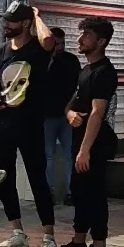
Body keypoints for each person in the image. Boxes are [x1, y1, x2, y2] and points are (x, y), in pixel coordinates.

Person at [0, 2, 59, 247]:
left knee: (37, 178)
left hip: (29, 123)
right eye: (4, 20)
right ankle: (17, 233)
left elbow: (48, 40)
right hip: (0, 124)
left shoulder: (38, 49)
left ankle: (49, 238)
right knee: (4, 177)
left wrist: (36, 15)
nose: (5, 24)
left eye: (11, 20)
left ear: (26, 23)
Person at [62, 17, 119, 247]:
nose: (80, 39)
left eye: (86, 35)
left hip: (95, 142)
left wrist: (85, 150)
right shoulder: (85, 70)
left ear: (101, 41)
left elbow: (97, 112)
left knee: (94, 193)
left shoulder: (104, 72)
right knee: (79, 191)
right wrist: (69, 114)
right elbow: (71, 104)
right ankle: (78, 240)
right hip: (79, 140)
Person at [44, 25, 81, 205]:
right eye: (57, 43)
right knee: (48, 155)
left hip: (66, 115)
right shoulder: (43, 61)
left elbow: (78, 86)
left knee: (69, 155)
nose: (59, 47)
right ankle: (48, 192)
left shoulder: (71, 60)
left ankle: (70, 192)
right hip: (47, 115)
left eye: (62, 43)